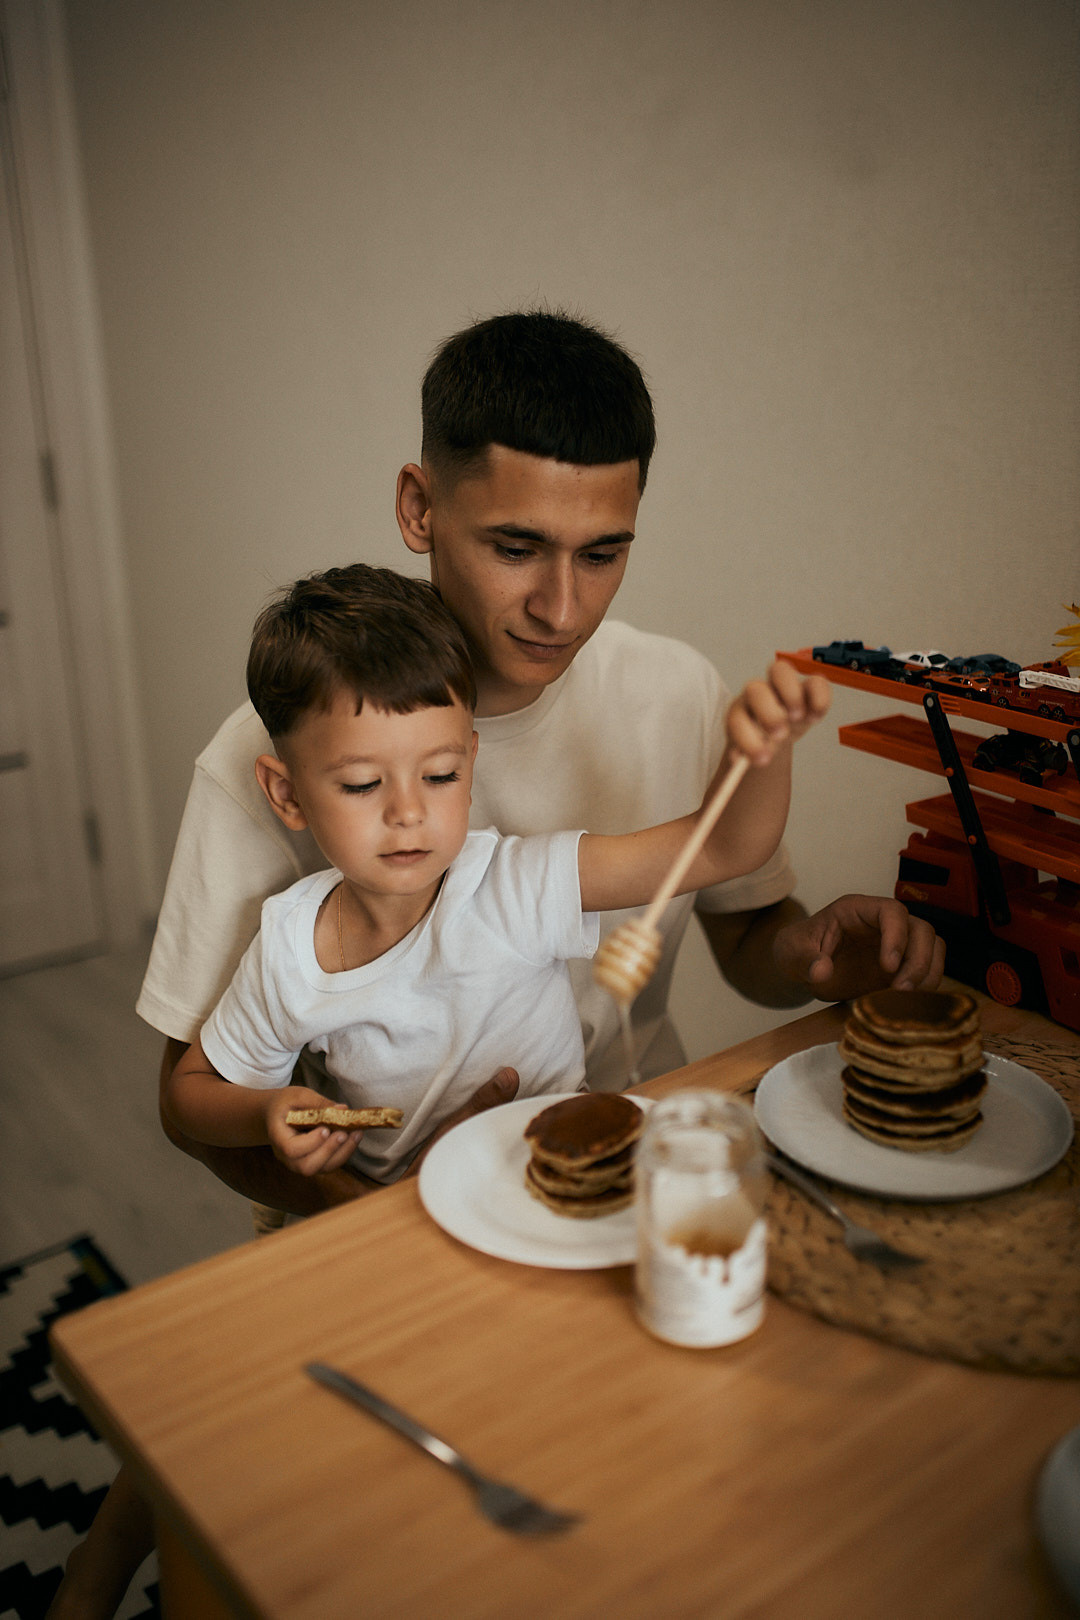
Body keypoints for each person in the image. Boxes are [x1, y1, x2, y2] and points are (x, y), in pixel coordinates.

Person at [139, 308, 944, 1218]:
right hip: (370, 1221)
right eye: (516, 549)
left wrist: (807, 955)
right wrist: (409, 1211)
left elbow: (742, 918)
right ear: (420, 507)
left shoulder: (676, 693)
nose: (561, 609)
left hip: (626, 1153)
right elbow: (191, 1101)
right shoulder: (266, 749)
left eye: (601, 555)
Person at [161, 563, 829, 1179]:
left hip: (565, 1184)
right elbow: (191, 1095)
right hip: (402, 1233)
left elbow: (719, 849)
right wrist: (268, 1112)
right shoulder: (289, 951)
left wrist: (766, 753)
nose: (408, 813)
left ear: (470, 764)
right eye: (363, 784)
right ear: (288, 795)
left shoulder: (512, 885)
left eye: (441, 775)